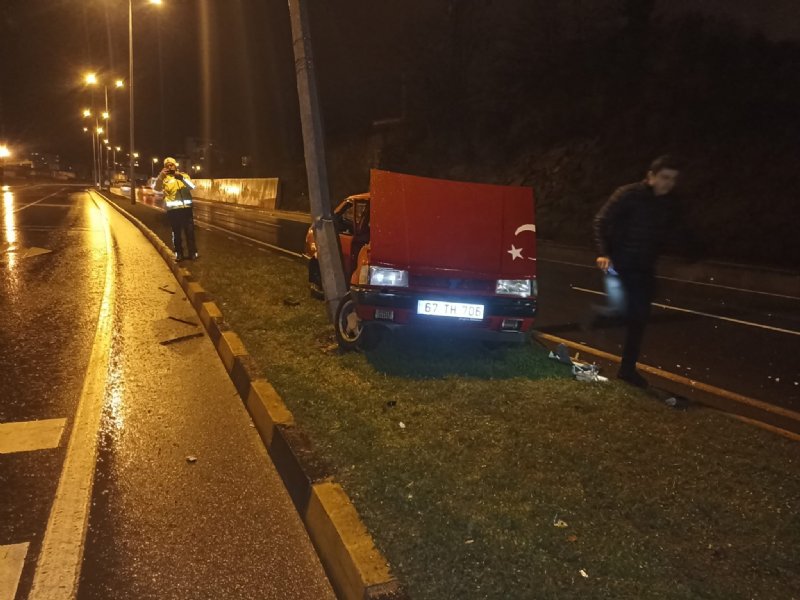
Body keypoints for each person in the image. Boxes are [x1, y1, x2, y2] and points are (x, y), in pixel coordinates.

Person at [592, 155, 686, 388]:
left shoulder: (670, 203)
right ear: (651, 176)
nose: (668, 183)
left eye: (673, 179)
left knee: (640, 319)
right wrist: (605, 252)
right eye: (664, 177)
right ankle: (603, 317)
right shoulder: (629, 195)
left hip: (645, 266)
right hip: (620, 264)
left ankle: (627, 370)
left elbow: (675, 230)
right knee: (624, 312)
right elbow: (601, 220)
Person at [153, 157, 198, 261]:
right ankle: (179, 254)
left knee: (190, 232)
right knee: (176, 233)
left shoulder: (184, 175)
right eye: (167, 165)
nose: (169, 166)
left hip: (186, 209)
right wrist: (161, 176)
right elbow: (156, 188)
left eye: (171, 164)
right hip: (173, 211)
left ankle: (192, 253)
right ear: (165, 167)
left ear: (175, 165)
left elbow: (192, 187)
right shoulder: (164, 178)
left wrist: (181, 178)